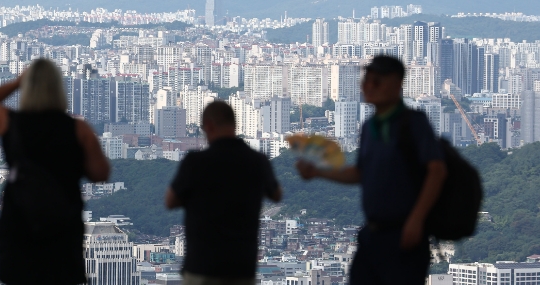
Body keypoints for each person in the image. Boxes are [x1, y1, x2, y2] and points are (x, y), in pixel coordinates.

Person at [296, 55, 447, 285]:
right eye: (366, 81)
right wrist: (318, 172)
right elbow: (360, 173)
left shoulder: (413, 123)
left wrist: (416, 220)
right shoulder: (370, 127)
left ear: (396, 85)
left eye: (376, 82)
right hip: (373, 233)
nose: (368, 87)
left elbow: (437, 171)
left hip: (405, 234)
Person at [0, 58, 110, 285]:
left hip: (19, 229)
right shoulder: (77, 129)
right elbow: (100, 173)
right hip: (62, 233)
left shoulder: (10, 123)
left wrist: (18, 82)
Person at [165, 101, 282, 285]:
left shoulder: (195, 162)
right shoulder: (257, 161)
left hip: (201, 266)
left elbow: (170, 201)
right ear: (234, 124)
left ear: (209, 126)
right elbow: (276, 194)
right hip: (241, 268)